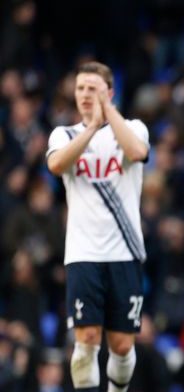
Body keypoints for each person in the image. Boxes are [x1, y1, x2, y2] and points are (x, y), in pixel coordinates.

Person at [46, 61, 150, 392]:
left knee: (121, 345)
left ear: (109, 92)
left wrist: (108, 116)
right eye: (80, 88)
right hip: (83, 252)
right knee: (87, 338)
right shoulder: (65, 134)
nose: (85, 94)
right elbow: (56, 164)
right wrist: (90, 128)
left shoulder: (133, 128)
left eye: (93, 88)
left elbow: (138, 151)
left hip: (125, 251)